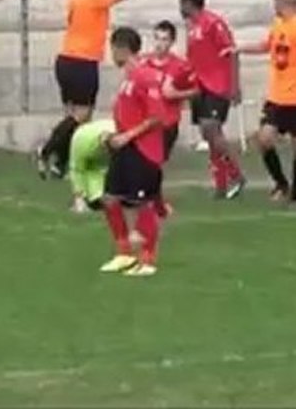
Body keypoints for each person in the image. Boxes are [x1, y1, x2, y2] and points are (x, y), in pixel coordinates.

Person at [230, 0, 296, 204]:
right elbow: (267, 45)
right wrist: (240, 48)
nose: (273, 6)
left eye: (275, 2)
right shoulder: (278, 25)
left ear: (284, 3)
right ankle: (282, 184)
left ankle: (295, 195)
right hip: (277, 97)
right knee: (264, 139)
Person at [37, 0, 131, 179]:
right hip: (83, 61)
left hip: (65, 59)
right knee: (82, 115)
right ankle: (47, 149)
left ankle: (61, 163)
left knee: (71, 116)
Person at [99, 26, 167, 278]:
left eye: (112, 49)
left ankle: (148, 260)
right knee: (110, 198)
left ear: (121, 49)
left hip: (143, 150)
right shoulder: (129, 78)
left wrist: (127, 135)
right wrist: (115, 135)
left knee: (142, 204)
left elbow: (157, 116)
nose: (110, 54)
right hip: (125, 147)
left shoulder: (145, 76)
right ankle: (124, 253)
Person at [179, 0, 246, 199]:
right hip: (200, 87)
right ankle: (221, 183)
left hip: (218, 84)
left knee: (211, 127)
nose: (180, 8)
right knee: (207, 134)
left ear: (189, 3)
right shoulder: (191, 28)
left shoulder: (213, 23)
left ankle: (236, 173)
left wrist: (235, 85)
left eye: (182, 4)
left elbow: (231, 53)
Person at [141, 20, 198, 161]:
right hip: (144, 123)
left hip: (167, 123)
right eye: (157, 38)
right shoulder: (143, 64)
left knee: (156, 163)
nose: (159, 43)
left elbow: (195, 90)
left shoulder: (180, 66)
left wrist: (176, 95)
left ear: (172, 42)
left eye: (164, 39)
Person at [67, 118, 115, 214]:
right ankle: (88, 199)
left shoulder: (121, 137)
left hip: (109, 148)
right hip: (84, 144)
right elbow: (77, 169)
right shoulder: (82, 141)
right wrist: (79, 196)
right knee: (94, 198)